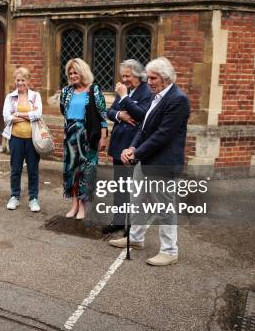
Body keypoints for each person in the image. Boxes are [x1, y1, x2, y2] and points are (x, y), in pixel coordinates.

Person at [109, 57, 190, 266]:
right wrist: (132, 148)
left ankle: (170, 250)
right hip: (145, 160)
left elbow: (162, 135)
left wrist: (136, 154)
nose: (149, 81)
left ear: (165, 78)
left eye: (153, 78)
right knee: (138, 201)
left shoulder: (177, 99)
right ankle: (135, 238)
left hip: (162, 163)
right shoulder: (157, 96)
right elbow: (144, 129)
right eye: (149, 77)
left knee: (164, 208)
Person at [102, 59, 152, 234]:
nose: (124, 79)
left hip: (133, 145)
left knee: (133, 188)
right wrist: (119, 115)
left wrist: (124, 98)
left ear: (138, 75)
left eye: (128, 76)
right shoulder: (125, 89)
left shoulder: (147, 91)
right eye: (122, 76)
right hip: (118, 143)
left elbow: (143, 115)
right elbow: (109, 111)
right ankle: (118, 220)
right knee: (120, 186)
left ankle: (131, 225)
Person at [59, 58, 107, 220]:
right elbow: (63, 111)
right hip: (71, 136)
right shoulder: (66, 91)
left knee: (87, 171)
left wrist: (103, 136)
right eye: (70, 73)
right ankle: (74, 204)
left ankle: (83, 206)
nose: (72, 76)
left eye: (75, 72)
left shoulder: (93, 90)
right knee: (72, 171)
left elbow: (102, 116)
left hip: (89, 136)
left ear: (83, 72)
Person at [2, 67, 43, 212]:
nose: (20, 83)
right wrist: (27, 115)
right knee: (15, 169)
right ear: (15, 81)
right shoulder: (10, 97)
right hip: (15, 138)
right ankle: (14, 196)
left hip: (32, 139)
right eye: (18, 80)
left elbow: (38, 114)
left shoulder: (35, 96)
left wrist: (18, 115)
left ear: (28, 81)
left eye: (23, 80)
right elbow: (7, 117)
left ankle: (33, 198)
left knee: (33, 169)